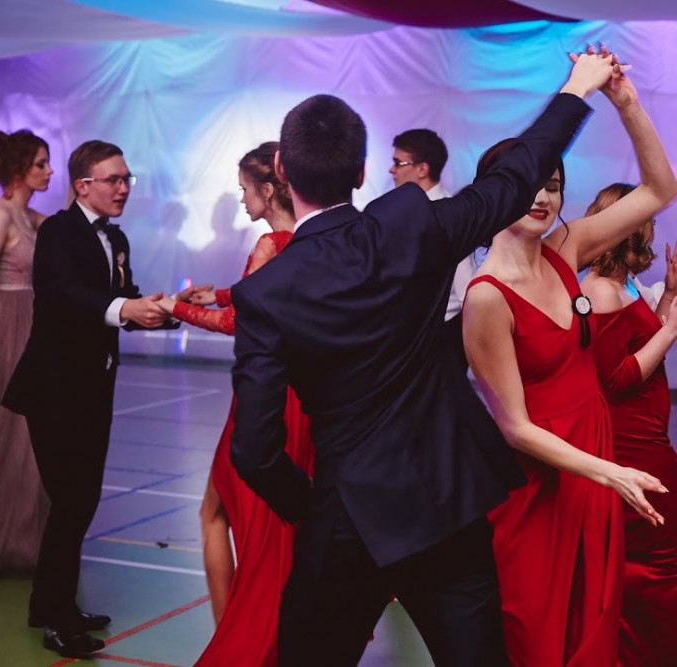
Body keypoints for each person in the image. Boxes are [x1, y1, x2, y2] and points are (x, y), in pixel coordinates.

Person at [228, 52, 615, 666]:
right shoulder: (409, 226)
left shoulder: (265, 294)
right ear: (361, 170)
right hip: (446, 504)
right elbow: (512, 181)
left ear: (280, 169)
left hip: (347, 519)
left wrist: (316, 508)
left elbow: (254, 450)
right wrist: (577, 89)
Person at [462, 56, 677, 665]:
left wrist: (626, 102)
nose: (543, 195)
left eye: (554, 184)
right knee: (537, 628)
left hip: (595, 455)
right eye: (530, 182)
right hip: (544, 478)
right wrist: (607, 472)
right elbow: (514, 427)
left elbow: (660, 191)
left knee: (594, 619)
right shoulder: (486, 296)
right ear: (495, 192)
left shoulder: (567, 246)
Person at [2, 140, 196, 658]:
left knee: (80, 501)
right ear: (82, 185)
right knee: (72, 503)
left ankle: (47, 604)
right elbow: (65, 294)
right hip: (53, 390)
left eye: (128, 178)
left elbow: (123, 300)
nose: (124, 188)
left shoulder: (117, 237)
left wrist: (171, 307)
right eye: (114, 179)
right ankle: (57, 618)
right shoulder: (58, 232)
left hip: (93, 388)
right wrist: (124, 309)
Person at [155, 142, 313, 667]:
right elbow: (266, 295)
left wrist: (174, 307)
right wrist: (221, 293)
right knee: (283, 523)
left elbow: (240, 323)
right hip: (304, 400)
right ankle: (271, 633)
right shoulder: (313, 239)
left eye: (245, 189)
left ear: (268, 190)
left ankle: (233, 637)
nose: (242, 198)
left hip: (264, 397)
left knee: (214, 513)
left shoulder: (269, 242)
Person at [580, 184, 677, 667]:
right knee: (669, 554)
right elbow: (617, 378)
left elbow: (637, 343)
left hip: (649, 433)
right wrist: (673, 328)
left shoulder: (620, 285)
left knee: (669, 552)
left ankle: (663, 650)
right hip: (632, 442)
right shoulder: (598, 290)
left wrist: (670, 295)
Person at [0, 129, 52, 581]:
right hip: (4, 328)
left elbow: (69, 226)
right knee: (6, 430)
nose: (49, 171)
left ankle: (23, 540)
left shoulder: (32, 217)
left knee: (29, 438)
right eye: (41, 164)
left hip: (31, 326)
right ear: (20, 168)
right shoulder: (0, 215)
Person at [389, 128, 476, 367]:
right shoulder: (402, 210)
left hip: (439, 340)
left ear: (422, 169)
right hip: (408, 337)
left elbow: (467, 290)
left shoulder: (448, 216)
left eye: (398, 163)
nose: (391, 170)